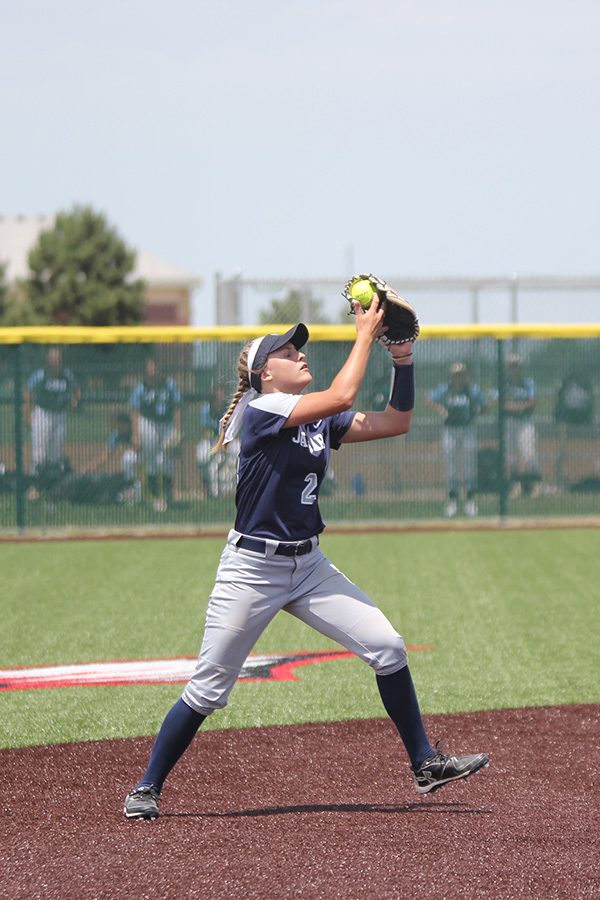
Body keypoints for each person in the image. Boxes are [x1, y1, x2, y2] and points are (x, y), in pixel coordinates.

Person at [123, 296, 489, 820]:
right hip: (252, 569)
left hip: (310, 566)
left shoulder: (315, 418)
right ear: (262, 374)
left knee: (387, 646)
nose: (298, 353)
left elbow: (396, 422)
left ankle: (425, 762)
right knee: (209, 689)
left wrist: (402, 360)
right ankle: (146, 786)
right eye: (286, 350)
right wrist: (366, 334)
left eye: (298, 347)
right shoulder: (263, 411)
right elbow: (343, 394)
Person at [425, 362, 487, 517]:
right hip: (450, 430)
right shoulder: (446, 389)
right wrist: (442, 410)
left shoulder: (471, 391)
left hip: (467, 429)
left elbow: (485, 404)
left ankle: (470, 501)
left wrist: (477, 412)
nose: (458, 377)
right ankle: (452, 501)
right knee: (451, 464)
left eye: (461, 374)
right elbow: (429, 399)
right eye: (456, 374)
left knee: (469, 464)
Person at [24, 346, 80, 496]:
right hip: (43, 414)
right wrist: (27, 415)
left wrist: (74, 401)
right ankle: (35, 487)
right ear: (47, 360)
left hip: (60, 415)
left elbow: (76, 389)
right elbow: (28, 391)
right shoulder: (41, 375)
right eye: (53, 358)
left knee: (55, 454)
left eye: (58, 358)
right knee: (40, 454)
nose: (56, 361)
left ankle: (52, 487)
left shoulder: (66, 375)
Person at [129, 356, 181, 512]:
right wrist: (135, 433)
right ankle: (153, 497)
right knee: (151, 460)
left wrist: (177, 430)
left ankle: (166, 496)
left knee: (167, 460)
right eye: (150, 368)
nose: (153, 371)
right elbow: (134, 410)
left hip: (166, 423)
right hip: (148, 422)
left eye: (155, 368)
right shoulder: (141, 387)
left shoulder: (169, 385)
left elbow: (177, 407)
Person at [503, 354, 540, 498]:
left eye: (516, 366)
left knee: (529, 453)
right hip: (509, 422)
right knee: (510, 457)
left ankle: (535, 486)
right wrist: (515, 407)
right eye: (511, 366)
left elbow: (533, 400)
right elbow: (497, 401)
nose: (514, 369)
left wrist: (520, 406)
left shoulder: (527, 383)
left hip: (525, 421)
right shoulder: (504, 384)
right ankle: (515, 486)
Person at [85, 412, 141, 504]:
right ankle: (133, 485)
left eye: (117, 425)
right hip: (140, 463)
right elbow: (105, 455)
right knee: (127, 460)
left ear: (125, 424)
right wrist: (89, 468)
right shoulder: (117, 434)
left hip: (152, 458)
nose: (115, 428)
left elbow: (139, 449)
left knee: (128, 458)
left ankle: (138, 484)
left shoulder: (137, 430)